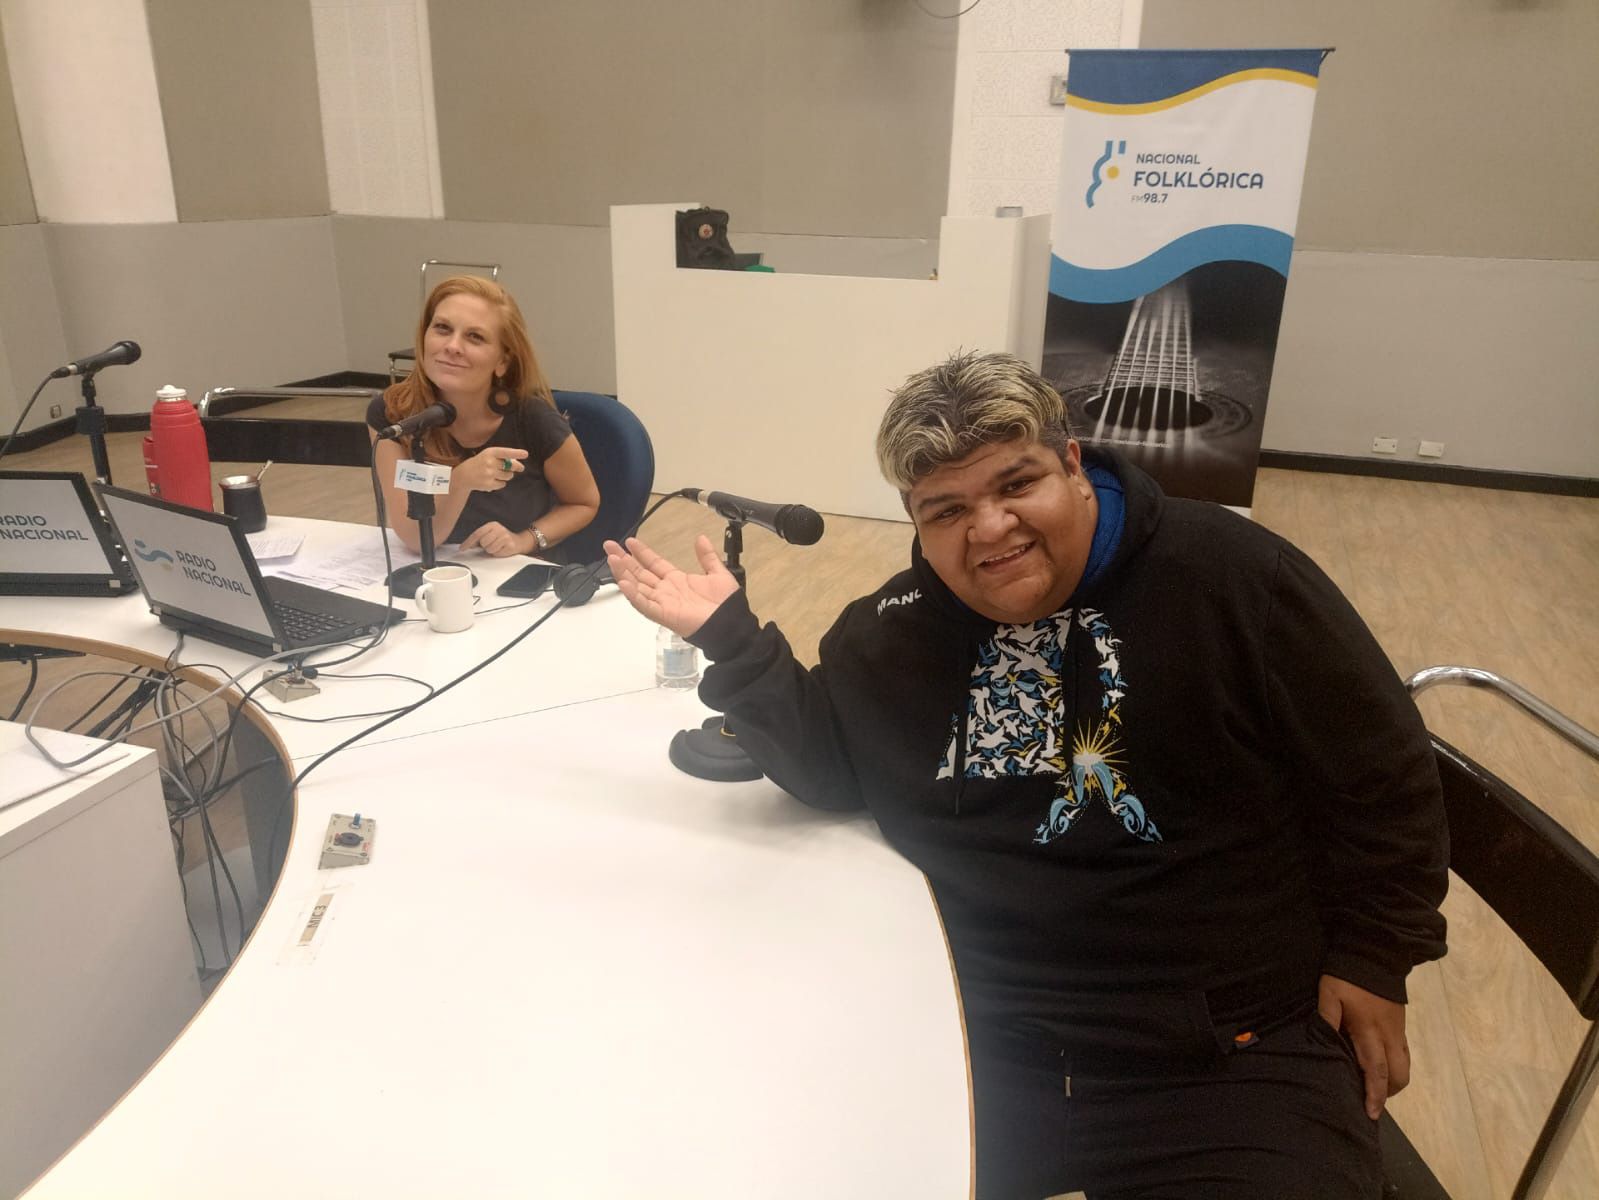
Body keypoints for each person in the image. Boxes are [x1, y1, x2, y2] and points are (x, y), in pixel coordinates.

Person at [605, 351, 1448, 1199]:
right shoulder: (892, 632)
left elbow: (1382, 775)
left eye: (1016, 484)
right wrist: (734, 644)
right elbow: (834, 767)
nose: (989, 528)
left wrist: (1374, 954)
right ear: (914, 520)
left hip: (1226, 1050)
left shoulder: (1234, 578)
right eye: (947, 509)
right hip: (976, 1039)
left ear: (1071, 465)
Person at [369, 275, 599, 559]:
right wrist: (461, 481)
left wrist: (524, 540)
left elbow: (583, 503)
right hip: (433, 570)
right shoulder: (394, 415)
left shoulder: (534, 419)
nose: (452, 346)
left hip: (513, 571)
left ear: (502, 361)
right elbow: (416, 539)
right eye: (442, 328)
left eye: (474, 337)